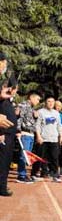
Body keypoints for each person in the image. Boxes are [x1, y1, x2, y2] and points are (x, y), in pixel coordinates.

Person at [35, 94, 62, 182]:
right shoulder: (41, 112)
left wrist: (61, 136)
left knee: (54, 157)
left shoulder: (56, 113)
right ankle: (36, 173)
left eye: (52, 101)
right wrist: (38, 136)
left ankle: (55, 175)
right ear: (45, 102)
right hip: (43, 139)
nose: (51, 103)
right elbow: (37, 125)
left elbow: (59, 125)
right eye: (49, 101)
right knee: (41, 157)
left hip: (54, 139)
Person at [0, 58, 18, 197]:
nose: (4, 66)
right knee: (2, 160)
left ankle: (2, 185)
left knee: (5, 161)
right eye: (3, 63)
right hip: (3, 132)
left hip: (8, 132)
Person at [15, 90, 40, 183]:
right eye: (37, 99)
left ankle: (23, 174)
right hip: (24, 134)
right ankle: (21, 176)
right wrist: (18, 130)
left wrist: (36, 117)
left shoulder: (31, 108)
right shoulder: (23, 105)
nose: (38, 101)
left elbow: (31, 121)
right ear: (31, 97)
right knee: (23, 155)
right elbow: (19, 119)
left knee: (27, 156)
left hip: (31, 134)